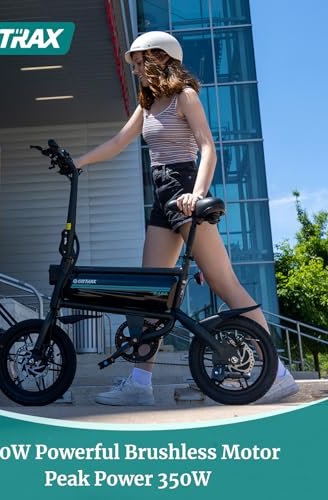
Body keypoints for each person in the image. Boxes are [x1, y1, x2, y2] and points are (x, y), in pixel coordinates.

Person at [74, 31, 298, 406]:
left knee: (223, 281)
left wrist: (196, 193)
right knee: (151, 295)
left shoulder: (185, 97)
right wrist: (76, 163)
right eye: (134, 64)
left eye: (140, 62)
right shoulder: (148, 104)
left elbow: (208, 147)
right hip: (162, 196)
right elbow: (118, 142)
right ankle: (140, 385)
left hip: (183, 189)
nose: (136, 69)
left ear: (162, 58)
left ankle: (276, 374)